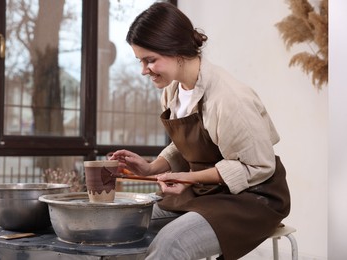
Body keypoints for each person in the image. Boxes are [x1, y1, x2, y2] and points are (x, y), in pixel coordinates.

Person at [110, 2, 290, 260]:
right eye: (140, 60)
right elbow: (185, 145)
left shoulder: (229, 99)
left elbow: (257, 167)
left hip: (253, 199)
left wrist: (187, 178)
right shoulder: (172, 91)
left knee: (172, 243)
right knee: (126, 224)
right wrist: (151, 168)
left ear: (176, 50)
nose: (143, 70)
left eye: (150, 60)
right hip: (206, 193)